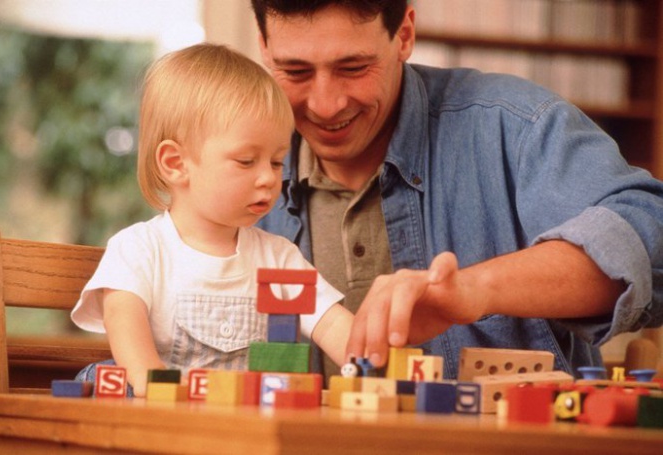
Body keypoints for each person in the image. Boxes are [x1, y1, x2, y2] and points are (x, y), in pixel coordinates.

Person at [250, 0, 663, 381]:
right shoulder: (225, 163)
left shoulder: (515, 127)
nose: (326, 104)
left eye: (354, 68)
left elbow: (649, 230)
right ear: (264, 46)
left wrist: (476, 289)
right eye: (296, 72)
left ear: (405, 36)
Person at [71, 43, 353, 397]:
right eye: (247, 161)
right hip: (155, 420)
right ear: (176, 163)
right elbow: (129, 342)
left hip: (239, 430)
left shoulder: (279, 257)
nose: (269, 178)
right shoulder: (138, 250)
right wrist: (161, 386)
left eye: (277, 162)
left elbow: (333, 327)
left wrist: (372, 357)